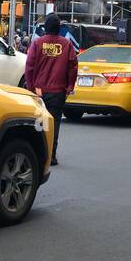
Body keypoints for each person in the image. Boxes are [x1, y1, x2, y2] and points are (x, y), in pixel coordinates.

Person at [24, 14, 78, 166]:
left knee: (40, 124)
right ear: (59, 28)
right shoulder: (66, 45)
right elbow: (73, 67)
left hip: (39, 91)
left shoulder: (37, 43)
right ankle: (51, 155)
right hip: (57, 92)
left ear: (46, 28)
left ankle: (38, 155)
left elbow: (29, 68)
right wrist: (69, 88)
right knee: (53, 124)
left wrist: (32, 88)